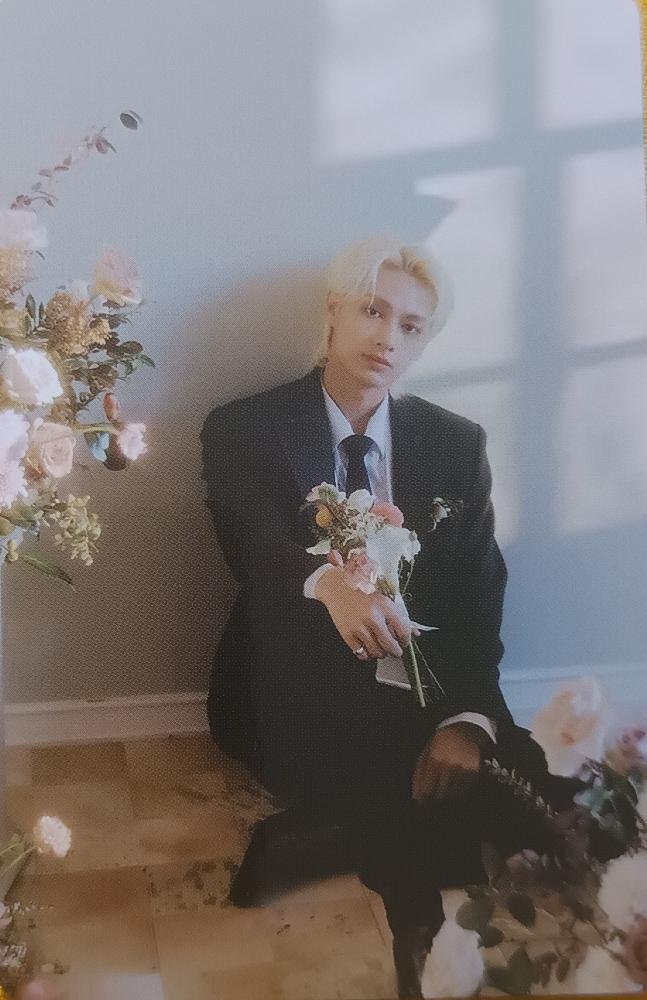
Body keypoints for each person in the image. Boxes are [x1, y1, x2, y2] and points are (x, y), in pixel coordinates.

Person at [200, 235, 573, 998]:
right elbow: (255, 546)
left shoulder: (454, 442)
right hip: (286, 686)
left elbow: (477, 591)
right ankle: (418, 928)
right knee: (447, 790)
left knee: (530, 785)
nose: (387, 338)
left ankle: (321, 843)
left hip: (420, 681)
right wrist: (328, 585)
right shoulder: (245, 426)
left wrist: (465, 719)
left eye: (411, 326)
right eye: (372, 312)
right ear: (333, 313)